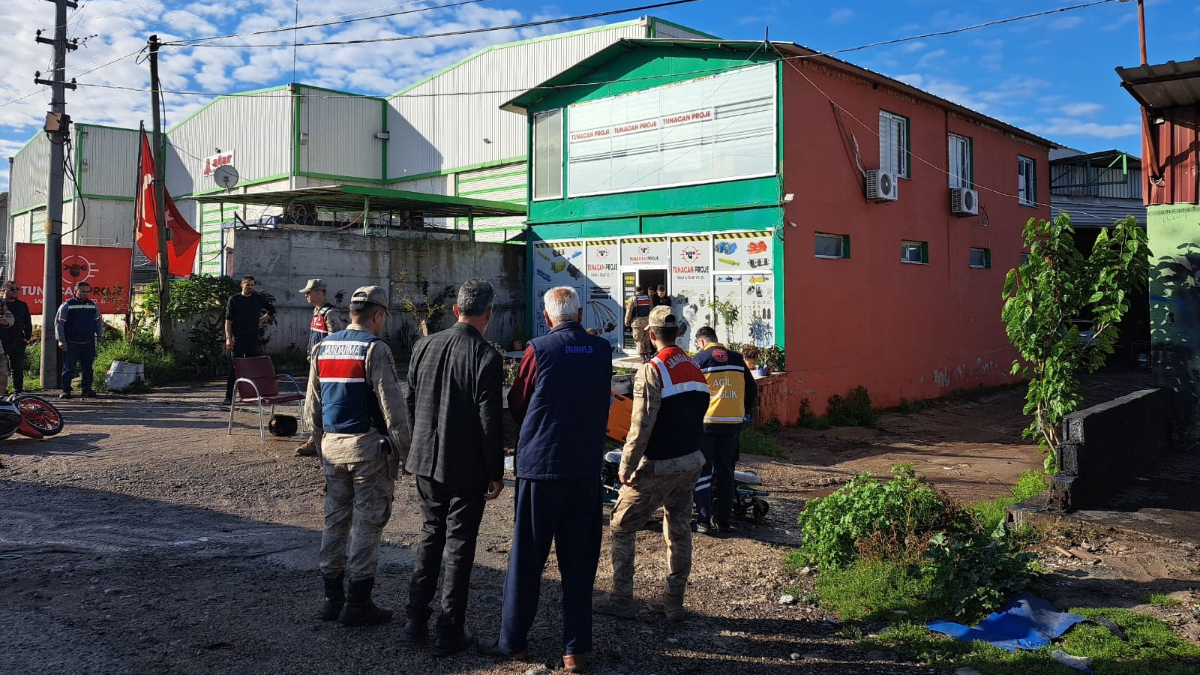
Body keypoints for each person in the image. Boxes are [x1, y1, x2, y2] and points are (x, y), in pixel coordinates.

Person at [477, 287, 611, 672]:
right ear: (580, 314)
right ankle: (574, 651)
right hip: (585, 468)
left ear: (548, 317)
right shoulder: (601, 351)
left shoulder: (539, 349)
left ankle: (513, 642)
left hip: (541, 467)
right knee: (580, 562)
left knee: (527, 559)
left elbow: (518, 402)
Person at [403, 279, 505, 657]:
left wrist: (416, 447)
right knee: (460, 547)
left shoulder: (424, 345)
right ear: (489, 313)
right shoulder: (486, 356)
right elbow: (490, 422)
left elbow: (410, 400)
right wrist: (496, 472)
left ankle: (415, 618)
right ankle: (449, 630)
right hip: (466, 468)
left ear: (455, 310)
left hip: (426, 461)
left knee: (431, 535)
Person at [594, 306, 708, 622]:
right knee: (679, 526)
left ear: (651, 334)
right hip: (691, 461)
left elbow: (642, 422)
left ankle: (621, 600)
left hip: (659, 464)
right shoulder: (695, 367)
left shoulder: (652, 370)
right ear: (680, 333)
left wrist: (627, 464)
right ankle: (673, 602)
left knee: (621, 524)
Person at [307, 286, 411, 626]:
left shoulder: (323, 346)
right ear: (378, 315)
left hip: (332, 446)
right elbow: (392, 408)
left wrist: (318, 441)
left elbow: (313, 405)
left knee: (335, 520)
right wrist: (406, 452)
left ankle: (330, 600)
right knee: (368, 521)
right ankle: (358, 602)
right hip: (367, 449)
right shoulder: (375, 349)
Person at [691, 326, 757, 536]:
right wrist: (745, 412)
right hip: (732, 423)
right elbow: (752, 389)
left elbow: (690, 391)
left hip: (707, 423)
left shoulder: (699, 360)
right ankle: (724, 521)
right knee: (726, 472)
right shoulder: (738, 359)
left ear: (701, 342)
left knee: (703, 472)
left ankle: (703, 521)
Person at [296, 278, 345, 457]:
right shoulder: (317, 312)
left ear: (319, 292)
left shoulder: (330, 313)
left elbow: (336, 340)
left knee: (318, 404)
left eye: (309, 292)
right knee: (313, 404)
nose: (306, 296)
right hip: (315, 364)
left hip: (325, 366)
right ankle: (316, 438)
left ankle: (318, 441)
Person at [223, 275, 276, 405]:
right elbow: (228, 320)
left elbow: (271, 310)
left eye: (252, 285)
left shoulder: (257, 299)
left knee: (253, 368)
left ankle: (253, 395)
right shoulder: (234, 299)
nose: (250, 287)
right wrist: (229, 338)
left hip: (252, 338)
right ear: (242, 285)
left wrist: (262, 320)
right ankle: (229, 397)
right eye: (248, 285)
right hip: (238, 338)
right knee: (234, 368)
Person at [55, 282, 103, 400]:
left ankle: (86, 389)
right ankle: (66, 390)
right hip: (72, 342)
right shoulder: (67, 305)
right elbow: (59, 323)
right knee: (69, 367)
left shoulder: (92, 305)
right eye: (82, 291)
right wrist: (60, 339)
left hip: (88, 342)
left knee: (87, 367)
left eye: (87, 291)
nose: (85, 294)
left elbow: (98, 322)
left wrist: (100, 337)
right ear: (75, 292)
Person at [0, 282, 33, 394]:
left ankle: (18, 389)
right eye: (12, 289)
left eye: (17, 289)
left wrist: (26, 337)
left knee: (17, 367)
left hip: (17, 340)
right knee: (2, 368)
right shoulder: (1, 304)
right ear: (4, 290)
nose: (15, 291)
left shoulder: (22, 305)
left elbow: (28, 322)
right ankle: (2, 390)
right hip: (2, 339)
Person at [623, 285, 653, 362]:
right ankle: (649, 355)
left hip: (637, 322)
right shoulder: (648, 298)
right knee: (646, 338)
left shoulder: (633, 299)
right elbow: (652, 309)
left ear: (635, 291)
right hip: (647, 322)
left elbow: (629, 311)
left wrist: (627, 321)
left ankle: (643, 357)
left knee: (639, 339)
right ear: (642, 290)